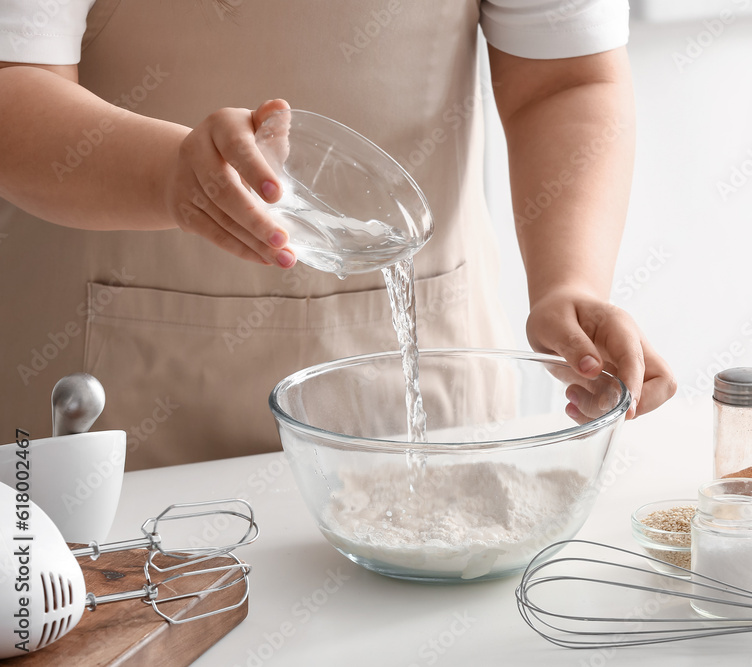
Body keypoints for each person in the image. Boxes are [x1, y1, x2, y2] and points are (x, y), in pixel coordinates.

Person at [0, 0, 676, 469]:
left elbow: (562, 79)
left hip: (422, 395)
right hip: (117, 414)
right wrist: (169, 176)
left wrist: (569, 282)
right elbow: (14, 84)